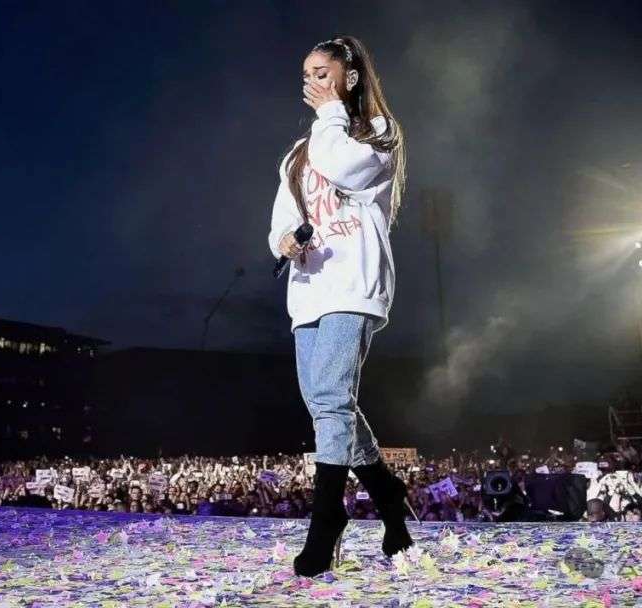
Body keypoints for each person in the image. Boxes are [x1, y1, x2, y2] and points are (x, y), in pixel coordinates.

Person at [267, 34, 408, 577]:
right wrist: (283, 241)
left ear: (350, 77)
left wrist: (329, 113)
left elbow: (345, 169)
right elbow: (282, 216)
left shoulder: (377, 132)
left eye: (322, 73)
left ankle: (327, 518)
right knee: (327, 402)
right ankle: (386, 492)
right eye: (307, 75)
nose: (312, 83)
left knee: (329, 396)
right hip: (309, 288)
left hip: (352, 282)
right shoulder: (297, 152)